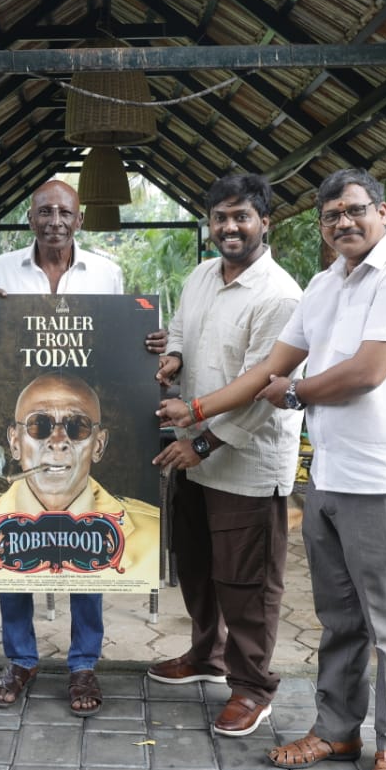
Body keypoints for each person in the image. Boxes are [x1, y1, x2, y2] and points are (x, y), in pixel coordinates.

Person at [157, 168, 386, 770]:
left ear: (382, 212)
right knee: (338, 619)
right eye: (332, 214)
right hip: (330, 476)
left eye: (355, 210)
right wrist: (200, 409)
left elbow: (366, 372)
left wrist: (293, 393)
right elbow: (271, 367)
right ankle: (337, 732)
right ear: (320, 226)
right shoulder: (324, 284)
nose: (344, 222)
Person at [0, 178, 163, 717]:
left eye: (64, 213)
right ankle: (21, 658)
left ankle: (83, 664)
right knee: (12, 541)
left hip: (82, 409)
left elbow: (116, 341)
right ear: (30, 218)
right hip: (25, 407)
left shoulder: (107, 272)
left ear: (79, 220)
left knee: (88, 545)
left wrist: (147, 341)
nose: (55, 221)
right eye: (45, 212)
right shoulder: (2, 270)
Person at [149, 174, 303, 738]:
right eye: (220, 217)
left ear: (265, 222)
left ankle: (253, 687)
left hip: (244, 460)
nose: (230, 227)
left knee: (246, 581)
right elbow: (182, 333)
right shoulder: (201, 276)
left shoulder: (280, 295)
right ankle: (206, 655)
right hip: (192, 452)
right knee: (196, 566)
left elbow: (266, 389)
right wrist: (173, 357)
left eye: (242, 216)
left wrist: (203, 443)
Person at [0, 372, 160, 588]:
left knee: (88, 603)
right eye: (38, 424)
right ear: (15, 443)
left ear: (98, 446)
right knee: (14, 603)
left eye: (78, 426)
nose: (57, 442)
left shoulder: (150, 532)